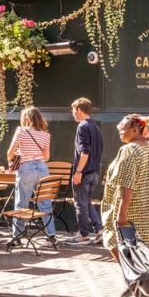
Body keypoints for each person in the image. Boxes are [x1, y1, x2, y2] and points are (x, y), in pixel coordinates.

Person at [101, 114, 149, 263]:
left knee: (117, 244)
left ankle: (134, 279)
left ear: (135, 130)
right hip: (147, 207)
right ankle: (138, 282)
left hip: (130, 208)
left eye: (123, 129)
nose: (120, 131)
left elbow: (127, 185)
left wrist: (122, 214)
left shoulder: (129, 150)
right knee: (140, 248)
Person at [6, 106, 55, 245]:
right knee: (45, 203)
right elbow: (46, 157)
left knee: (21, 203)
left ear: (26, 118)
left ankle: (17, 237)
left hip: (26, 168)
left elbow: (10, 152)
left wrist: (15, 158)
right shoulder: (46, 134)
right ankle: (51, 236)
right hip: (42, 168)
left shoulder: (21, 131)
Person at [66, 97, 103, 245]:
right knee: (87, 202)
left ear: (79, 110)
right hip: (95, 172)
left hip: (85, 172)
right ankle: (100, 231)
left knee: (80, 203)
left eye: (73, 110)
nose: (72, 113)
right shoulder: (96, 128)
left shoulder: (82, 126)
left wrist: (78, 172)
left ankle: (83, 235)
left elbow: (85, 152)